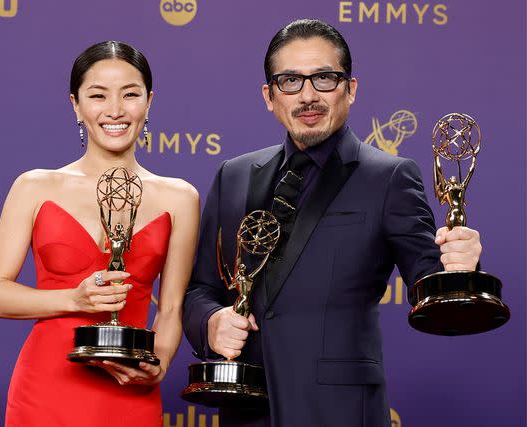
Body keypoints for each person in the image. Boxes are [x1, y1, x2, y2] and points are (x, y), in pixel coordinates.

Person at [182, 19, 482, 427]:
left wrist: (461, 270)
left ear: (350, 90)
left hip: (339, 412)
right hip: (248, 409)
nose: (308, 96)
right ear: (269, 96)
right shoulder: (233, 174)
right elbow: (201, 288)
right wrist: (211, 323)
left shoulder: (389, 177)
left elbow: (429, 288)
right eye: (290, 81)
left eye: (324, 78)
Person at [0, 41, 200, 427]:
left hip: (129, 389)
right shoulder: (35, 186)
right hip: (46, 387)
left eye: (130, 94)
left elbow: (171, 308)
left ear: (149, 102)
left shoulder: (180, 197)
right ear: (76, 105)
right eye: (98, 95)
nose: (115, 110)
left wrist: (159, 361)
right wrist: (75, 297)